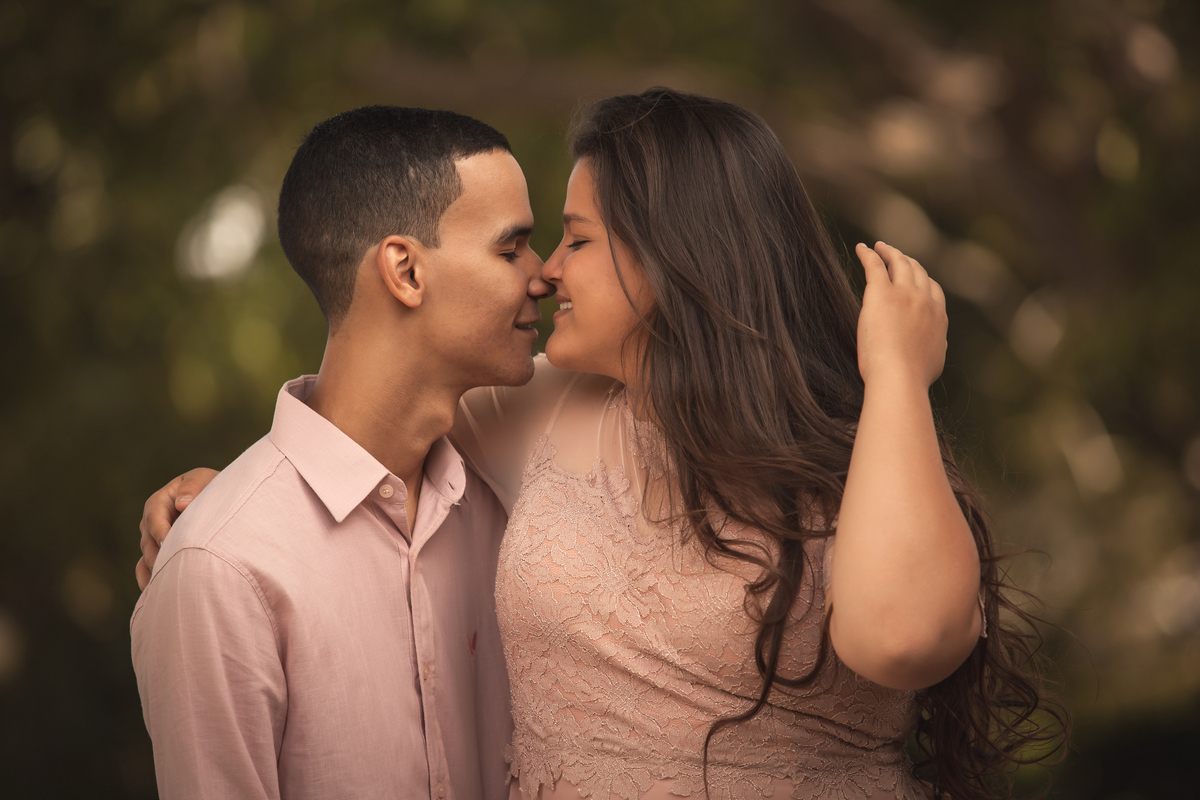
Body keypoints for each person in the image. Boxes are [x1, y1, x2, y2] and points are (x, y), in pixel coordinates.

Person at [140, 90, 1064, 799]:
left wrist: (898, 375)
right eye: (526, 247)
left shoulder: (863, 445)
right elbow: (371, 413)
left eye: (571, 241)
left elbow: (901, 635)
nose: (544, 275)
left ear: (669, 258)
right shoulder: (544, 413)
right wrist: (221, 511)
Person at [131, 105, 551, 800]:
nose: (543, 276)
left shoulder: (516, 491)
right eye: (511, 250)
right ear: (406, 271)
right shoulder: (223, 568)